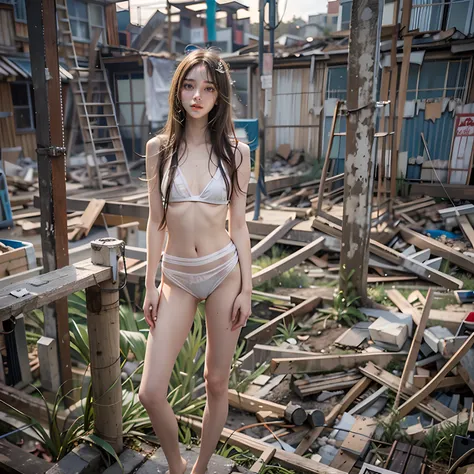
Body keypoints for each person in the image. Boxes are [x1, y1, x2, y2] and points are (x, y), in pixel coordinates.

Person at [139, 48, 252, 474]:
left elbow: (238, 225)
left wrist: (247, 287)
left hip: (224, 272)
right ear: (178, 91)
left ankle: (201, 467)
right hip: (178, 277)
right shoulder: (159, 149)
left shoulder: (236, 153)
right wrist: (150, 282)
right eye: (189, 85)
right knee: (150, 391)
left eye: (207, 87)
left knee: (216, 381)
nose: (197, 95)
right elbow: (155, 222)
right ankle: (176, 466)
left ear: (219, 95)